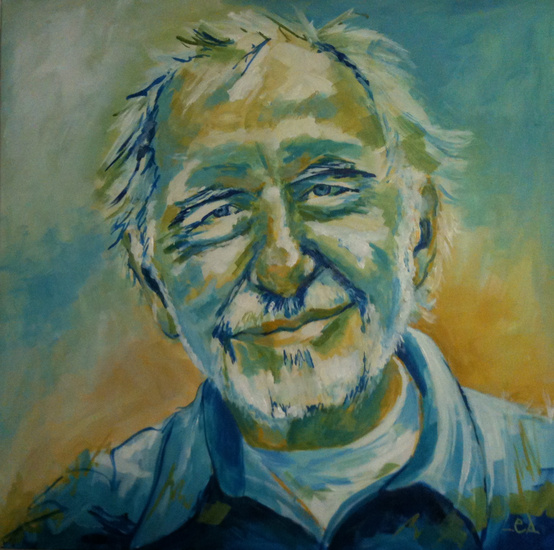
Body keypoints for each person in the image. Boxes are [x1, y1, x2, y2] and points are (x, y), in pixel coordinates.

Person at [4, 10, 552, 550]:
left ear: (420, 234)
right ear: (153, 283)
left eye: (328, 189)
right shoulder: (81, 527)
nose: (282, 265)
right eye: (216, 212)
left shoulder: (539, 485)